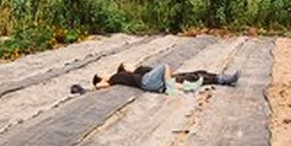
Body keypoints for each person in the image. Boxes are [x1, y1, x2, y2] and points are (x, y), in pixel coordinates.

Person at [92, 61, 239, 93]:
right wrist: (100, 81)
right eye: (102, 74)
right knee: (165, 66)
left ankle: (222, 78)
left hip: (155, 82)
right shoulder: (115, 77)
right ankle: (171, 86)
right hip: (148, 82)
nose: (130, 65)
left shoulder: (135, 71)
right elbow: (99, 86)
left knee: (196, 74)